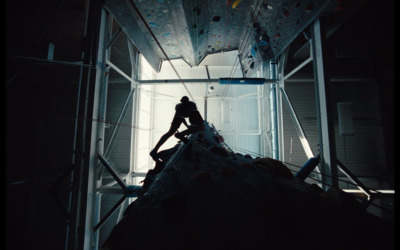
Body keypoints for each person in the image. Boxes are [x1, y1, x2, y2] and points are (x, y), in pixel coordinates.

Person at [149, 96, 201, 161]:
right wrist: (187, 126)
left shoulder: (192, 105)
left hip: (191, 114)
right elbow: (182, 118)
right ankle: (155, 150)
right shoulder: (179, 108)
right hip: (180, 116)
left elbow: (195, 116)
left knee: (196, 126)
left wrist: (190, 126)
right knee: (171, 132)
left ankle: (155, 150)